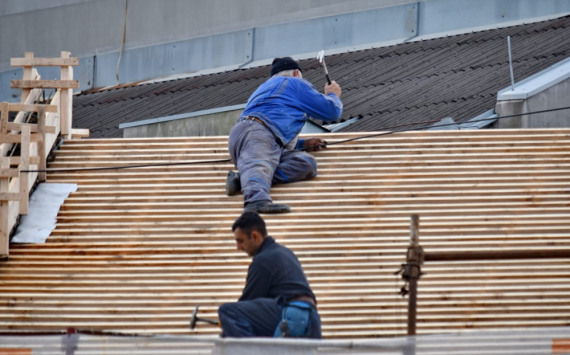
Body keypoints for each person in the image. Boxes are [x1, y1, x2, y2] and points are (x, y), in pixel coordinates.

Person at [226, 56, 343, 214]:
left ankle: (242, 180)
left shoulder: (263, 89)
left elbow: (277, 132)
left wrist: (303, 144)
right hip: (258, 133)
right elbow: (332, 111)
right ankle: (256, 200)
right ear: (296, 72)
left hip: (252, 136)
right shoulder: (294, 83)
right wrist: (333, 95)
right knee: (260, 164)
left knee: (306, 163)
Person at [218, 212, 321, 338]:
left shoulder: (262, 261)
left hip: (291, 316)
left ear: (255, 236)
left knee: (228, 312)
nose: (238, 247)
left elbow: (245, 304)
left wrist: (227, 329)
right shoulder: (285, 252)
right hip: (311, 321)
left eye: (240, 241)